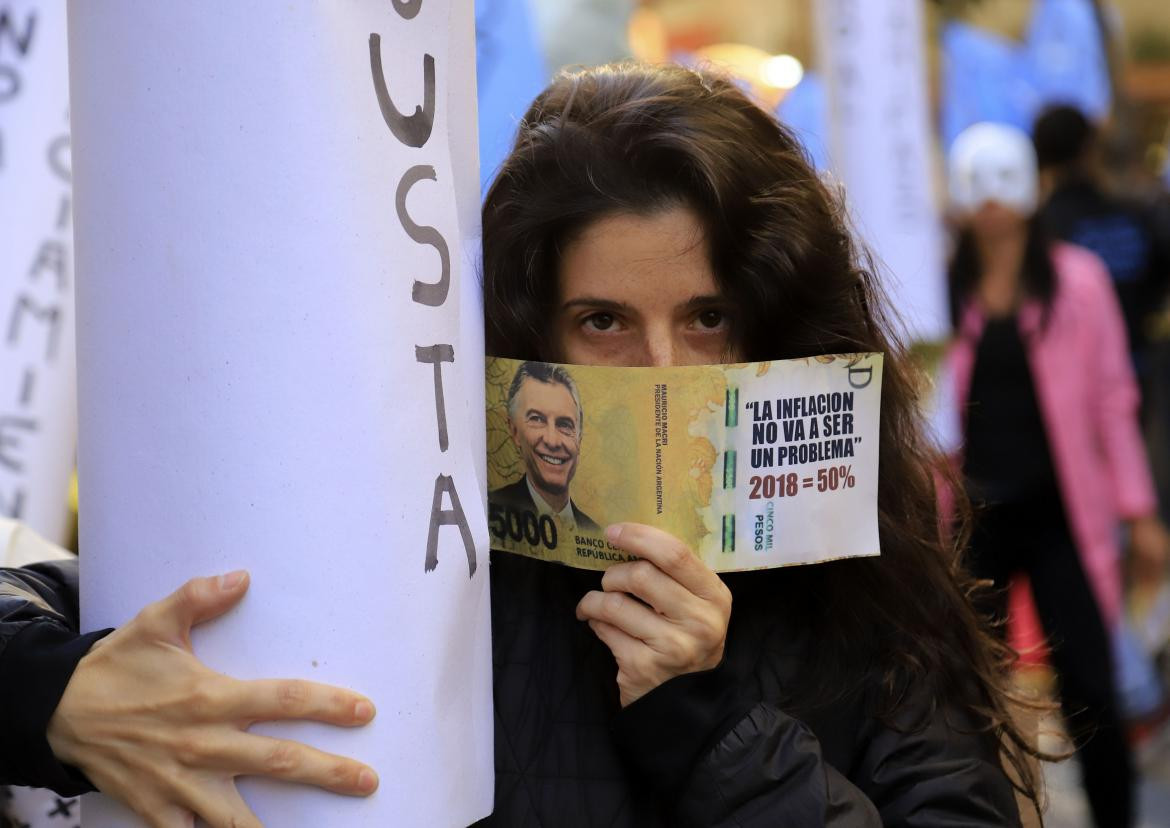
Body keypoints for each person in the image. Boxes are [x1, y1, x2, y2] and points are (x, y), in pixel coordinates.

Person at [2, 63, 1042, 827]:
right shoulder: (440, 549)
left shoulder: (857, 588)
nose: (662, 374)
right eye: (602, 323)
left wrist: (706, 721)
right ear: (524, 341)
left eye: (709, 319)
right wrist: (56, 691)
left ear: (774, 326)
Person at [946, 121, 1170, 828]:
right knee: (965, 695)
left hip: (1061, 511)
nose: (990, 201)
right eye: (973, 183)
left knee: (1092, 689)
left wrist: (1138, 513)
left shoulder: (1080, 281)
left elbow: (1113, 401)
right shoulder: (930, 285)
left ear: (1035, 187)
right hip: (968, 519)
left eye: (1003, 179)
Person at [1032, 105, 1170, 383]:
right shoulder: (1135, 217)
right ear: (1089, 150)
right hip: (1136, 367)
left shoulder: (1040, 231)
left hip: (1069, 380)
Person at [490, 361, 599, 531]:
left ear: (579, 440)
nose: (552, 441)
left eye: (564, 424)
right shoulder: (487, 513)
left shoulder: (595, 532)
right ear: (515, 431)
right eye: (537, 419)